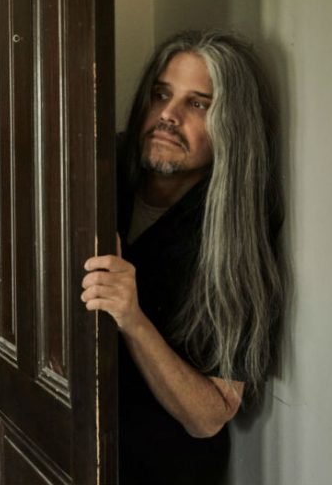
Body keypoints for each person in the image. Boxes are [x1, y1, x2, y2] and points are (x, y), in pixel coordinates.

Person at [80, 30, 284, 484]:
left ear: (232, 126)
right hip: (74, 451)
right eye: (161, 94)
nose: (168, 116)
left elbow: (210, 416)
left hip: (163, 468)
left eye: (198, 104)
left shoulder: (234, 233)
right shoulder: (99, 173)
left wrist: (132, 318)